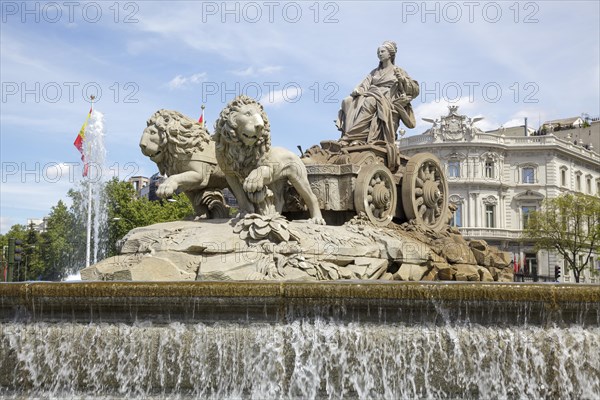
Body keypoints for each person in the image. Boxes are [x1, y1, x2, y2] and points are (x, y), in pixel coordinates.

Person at [336, 41, 419, 145]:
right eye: (378, 52)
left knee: (370, 101)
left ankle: (351, 137)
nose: (380, 54)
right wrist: (358, 90)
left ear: (390, 54)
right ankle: (351, 137)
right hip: (372, 93)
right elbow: (364, 84)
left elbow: (414, 90)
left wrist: (402, 79)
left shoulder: (398, 70)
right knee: (347, 101)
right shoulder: (374, 71)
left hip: (388, 99)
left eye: (382, 51)